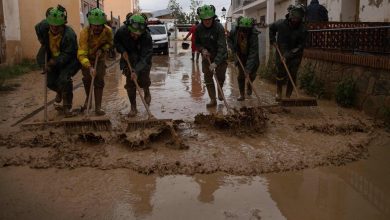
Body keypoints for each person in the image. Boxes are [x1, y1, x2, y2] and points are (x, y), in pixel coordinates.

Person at [35, 5, 80, 117]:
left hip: (70, 60)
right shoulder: (43, 26)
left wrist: (54, 62)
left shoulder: (69, 35)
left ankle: (67, 108)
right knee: (50, 82)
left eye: (58, 26)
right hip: (51, 54)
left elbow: (68, 54)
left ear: (63, 24)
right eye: (52, 25)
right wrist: (41, 40)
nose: (54, 28)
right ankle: (59, 91)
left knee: (64, 79)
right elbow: (37, 27)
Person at [114, 14, 153, 117]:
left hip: (142, 60)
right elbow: (117, 43)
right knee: (130, 85)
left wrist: (136, 70)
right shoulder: (121, 31)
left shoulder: (146, 37)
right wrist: (122, 51)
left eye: (138, 34)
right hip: (128, 59)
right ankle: (133, 108)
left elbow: (145, 57)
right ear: (128, 28)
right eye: (133, 33)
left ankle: (147, 92)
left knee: (144, 81)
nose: (135, 36)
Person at [77, 8, 113, 116]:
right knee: (87, 79)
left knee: (99, 81)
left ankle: (98, 107)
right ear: (90, 24)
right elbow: (81, 54)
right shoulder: (84, 33)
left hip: (100, 58)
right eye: (94, 25)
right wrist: (89, 67)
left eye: (99, 25)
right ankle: (89, 100)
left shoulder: (108, 31)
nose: (97, 28)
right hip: (87, 59)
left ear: (103, 24)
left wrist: (102, 49)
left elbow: (110, 43)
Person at [269, 5, 308, 100]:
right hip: (281, 51)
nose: (295, 21)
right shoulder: (281, 23)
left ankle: (288, 96)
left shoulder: (303, 30)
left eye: (298, 19)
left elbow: (301, 46)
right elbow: (271, 28)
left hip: (295, 54)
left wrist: (288, 55)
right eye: (294, 19)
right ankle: (278, 93)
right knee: (280, 72)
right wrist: (272, 40)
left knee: (293, 73)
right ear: (290, 17)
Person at [195, 5, 228, 108]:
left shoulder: (219, 28)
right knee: (208, 78)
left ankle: (220, 89)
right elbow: (197, 43)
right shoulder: (198, 29)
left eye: (209, 19)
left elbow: (222, 47)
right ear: (201, 19)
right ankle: (213, 99)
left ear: (213, 17)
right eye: (205, 20)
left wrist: (216, 62)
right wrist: (202, 50)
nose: (207, 21)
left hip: (220, 56)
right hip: (207, 56)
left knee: (220, 76)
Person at [228, 16, 260, 101]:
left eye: (246, 30)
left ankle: (249, 85)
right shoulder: (234, 31)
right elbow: (229, 39)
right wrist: (233, 48)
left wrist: (248, 69)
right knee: (241, 76)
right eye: (242, 29)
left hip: (252, 57)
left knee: (252, 75)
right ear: (239, 27)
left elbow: (253, 53)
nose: (244, 32)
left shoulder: (253, 35)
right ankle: (242, 95)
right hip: (240, 56)